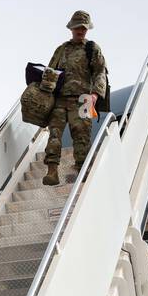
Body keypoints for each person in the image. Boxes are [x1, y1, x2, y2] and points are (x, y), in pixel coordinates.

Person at [43, 10, 109, 186]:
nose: (80, 31)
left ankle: (82, 170)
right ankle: (52, 171)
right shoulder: (61, 49)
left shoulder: (92, 48)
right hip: (59, 100)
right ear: (71, 28)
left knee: (81, 136)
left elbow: (100, 72)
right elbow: (50, 72)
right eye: (77, 27)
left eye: (84, 28)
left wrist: (95, 94)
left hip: (83, 99)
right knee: (54, 135)